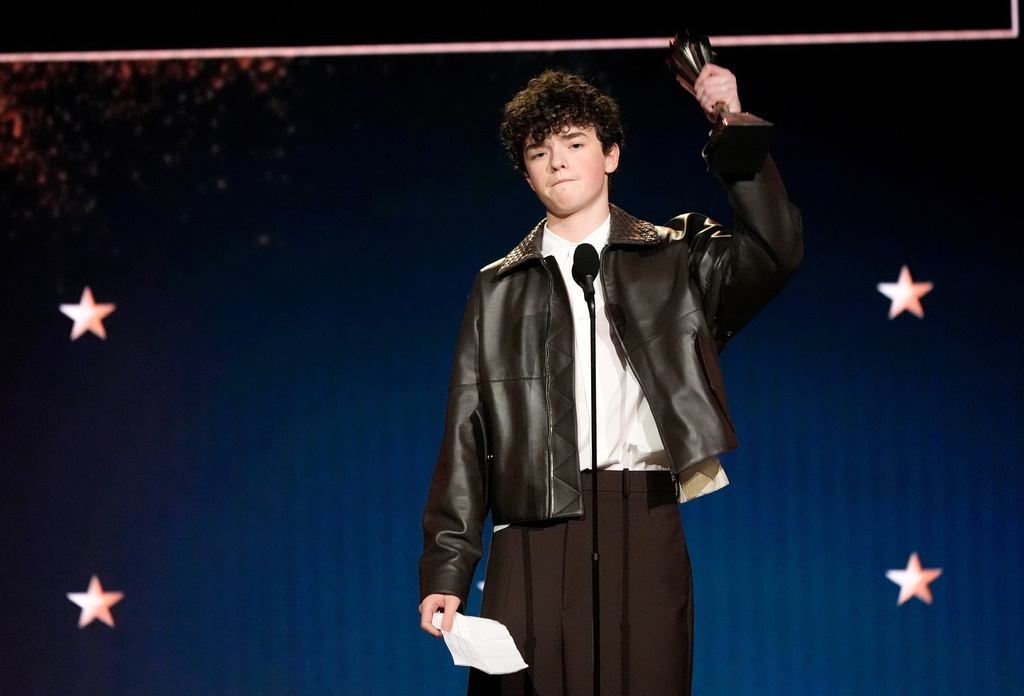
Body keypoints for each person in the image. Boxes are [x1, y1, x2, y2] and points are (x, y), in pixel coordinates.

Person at [418, 64, 802, 695]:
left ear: (611, 155)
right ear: (527, 172)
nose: (558, 163)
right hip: (533, 529)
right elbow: (468, 427)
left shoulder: (674, 255)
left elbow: (775, 250)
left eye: (574, 144)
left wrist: (729, 125)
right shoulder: (499, 287)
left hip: (643, 517)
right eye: (539, 153)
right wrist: (448, 566)